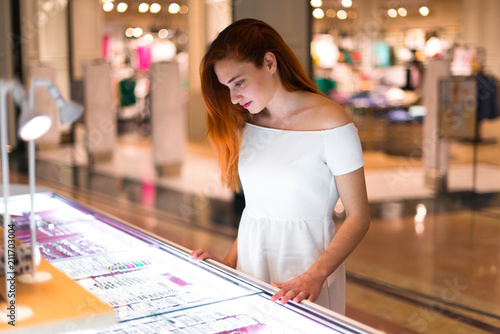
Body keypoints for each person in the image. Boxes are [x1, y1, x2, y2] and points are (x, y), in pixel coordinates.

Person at [190, 18, 370, 315]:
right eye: (227, 88)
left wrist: (316, 275)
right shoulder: (248, 123)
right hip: (250, 266)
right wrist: (228, 261)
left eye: (239, 83)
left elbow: (359, 216)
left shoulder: (332, 122)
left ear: (269, 63)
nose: (234, 98)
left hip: (304, 273)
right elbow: (257, 210)